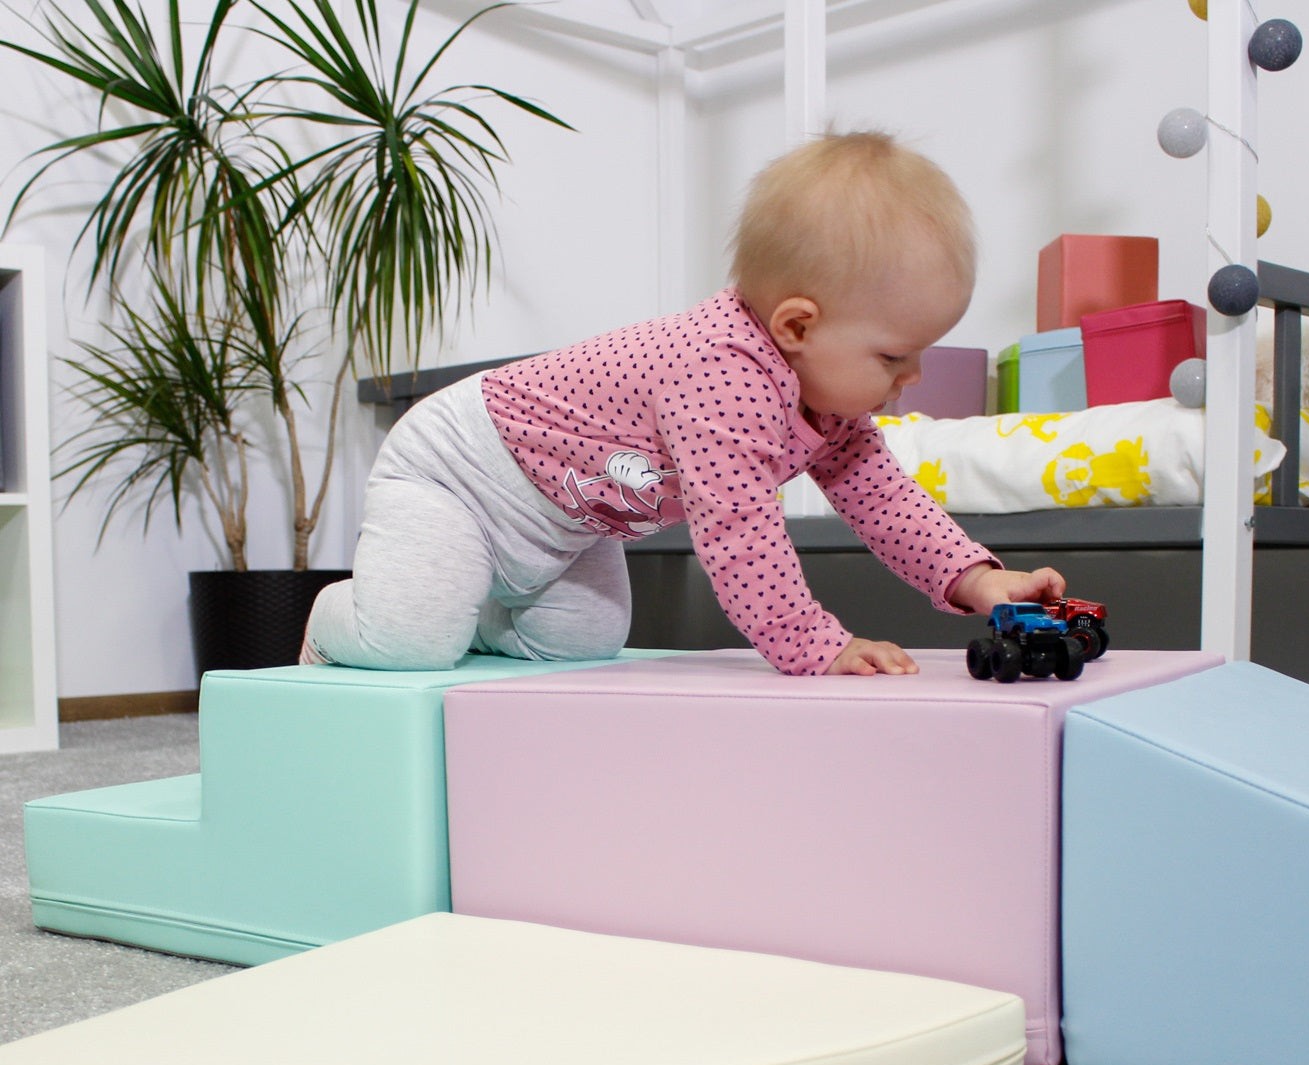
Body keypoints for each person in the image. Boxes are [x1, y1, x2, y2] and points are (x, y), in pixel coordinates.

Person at [302, 131, 1064, 677]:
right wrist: (812, 644)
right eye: (893, 356)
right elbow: (738, 532)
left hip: (568, 518)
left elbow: (884, 500)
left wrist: (974, 578)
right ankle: (344, 616)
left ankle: (466, 603)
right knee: (410, 641)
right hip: (463, 473)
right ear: (797, 325)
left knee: (582, 644)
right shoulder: (719, 374)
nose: (913, 376)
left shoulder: (823, 401)